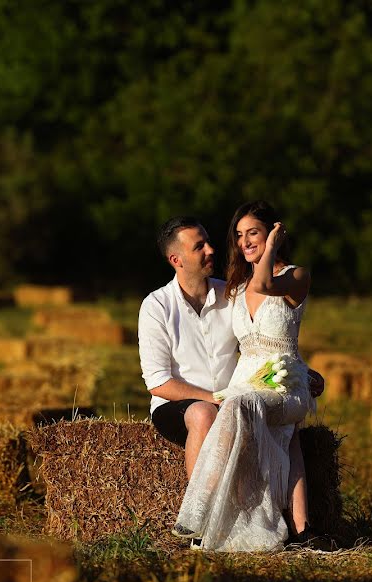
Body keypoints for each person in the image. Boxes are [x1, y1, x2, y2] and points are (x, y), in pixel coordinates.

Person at [137, 215, 323, 548]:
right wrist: (214, 397)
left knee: (286, 428)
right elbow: (158, 382)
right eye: (199, 247)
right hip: (178, 405)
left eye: (209, 241)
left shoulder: (231, 293)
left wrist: (300, 373)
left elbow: (263, 341)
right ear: (176, 260)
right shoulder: (156, 306)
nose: (211, 250)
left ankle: (299, 526)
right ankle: (200, 521)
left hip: (238, 398)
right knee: (205, 415)